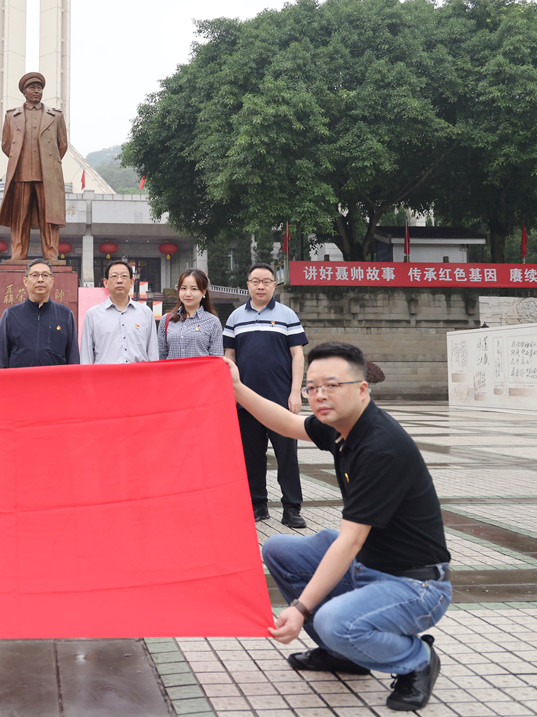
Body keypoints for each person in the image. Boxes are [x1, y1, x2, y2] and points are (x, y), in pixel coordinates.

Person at [228, 341, 451, 712]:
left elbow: (350, 540)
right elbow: (288, 423)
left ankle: (417, 660)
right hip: (370, 563)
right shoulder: (343, 426)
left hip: (416, 584)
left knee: (334, 621)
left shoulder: (380, 446)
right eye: (312, 387)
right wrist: (236, 387)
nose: (320, 395)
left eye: (332, 385)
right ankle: (344, 655)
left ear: (362, 389)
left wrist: (301, 609)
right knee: (279, 549)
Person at [224, 262, 309, 527]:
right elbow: (229, 357)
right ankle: (257, 504)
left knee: (287, 457)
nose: (260, 286)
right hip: (246, 402)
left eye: (266, 281)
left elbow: (298, 355)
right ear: (248, 285)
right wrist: (232, 394)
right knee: (252, 456)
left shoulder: (287, 315)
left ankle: (292, 508)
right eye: (255, 281)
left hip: (281, 401)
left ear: (274, 285)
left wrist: (295, 392)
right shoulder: (235, 317)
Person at [0, 72, 69, 261]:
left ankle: (51, 253)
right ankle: (18, 253)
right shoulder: (12, 116)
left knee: (50, 218)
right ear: (24, 91)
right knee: (19, 217)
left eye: (39, 88)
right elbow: (6, 145)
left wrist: (49, 162)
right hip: (21, 174)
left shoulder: (56, 116)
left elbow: (62, 145)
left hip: (48, 176)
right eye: (32, 87)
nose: (37, 91)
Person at [0, 258, 79, 368]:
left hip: (55, 379)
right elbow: (1, 358)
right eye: (35, 275)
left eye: (45, 275)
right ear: (25, 281)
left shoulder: (65, 315)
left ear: (52, 281)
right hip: (20, 378)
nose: (40, 280)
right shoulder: (10, 315)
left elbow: (73, 358)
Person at [81, 259, 159, 364]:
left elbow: (153, 353)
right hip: (106, 374)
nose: (119, 281)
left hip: (138, 374)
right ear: (105, 282)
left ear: (131, 282)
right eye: (114, 276)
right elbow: (86, 357)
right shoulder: (93, 315)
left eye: (124, 276)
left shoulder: (145, 313)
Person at [157, 268, 224, 360]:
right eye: (183, 288)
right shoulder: (166, 320)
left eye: (194, 289)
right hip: (172, 370)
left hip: (201, 370)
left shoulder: (213, 322)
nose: (188, 294)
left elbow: (216, 359)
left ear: (203, 292)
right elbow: (161, 356)